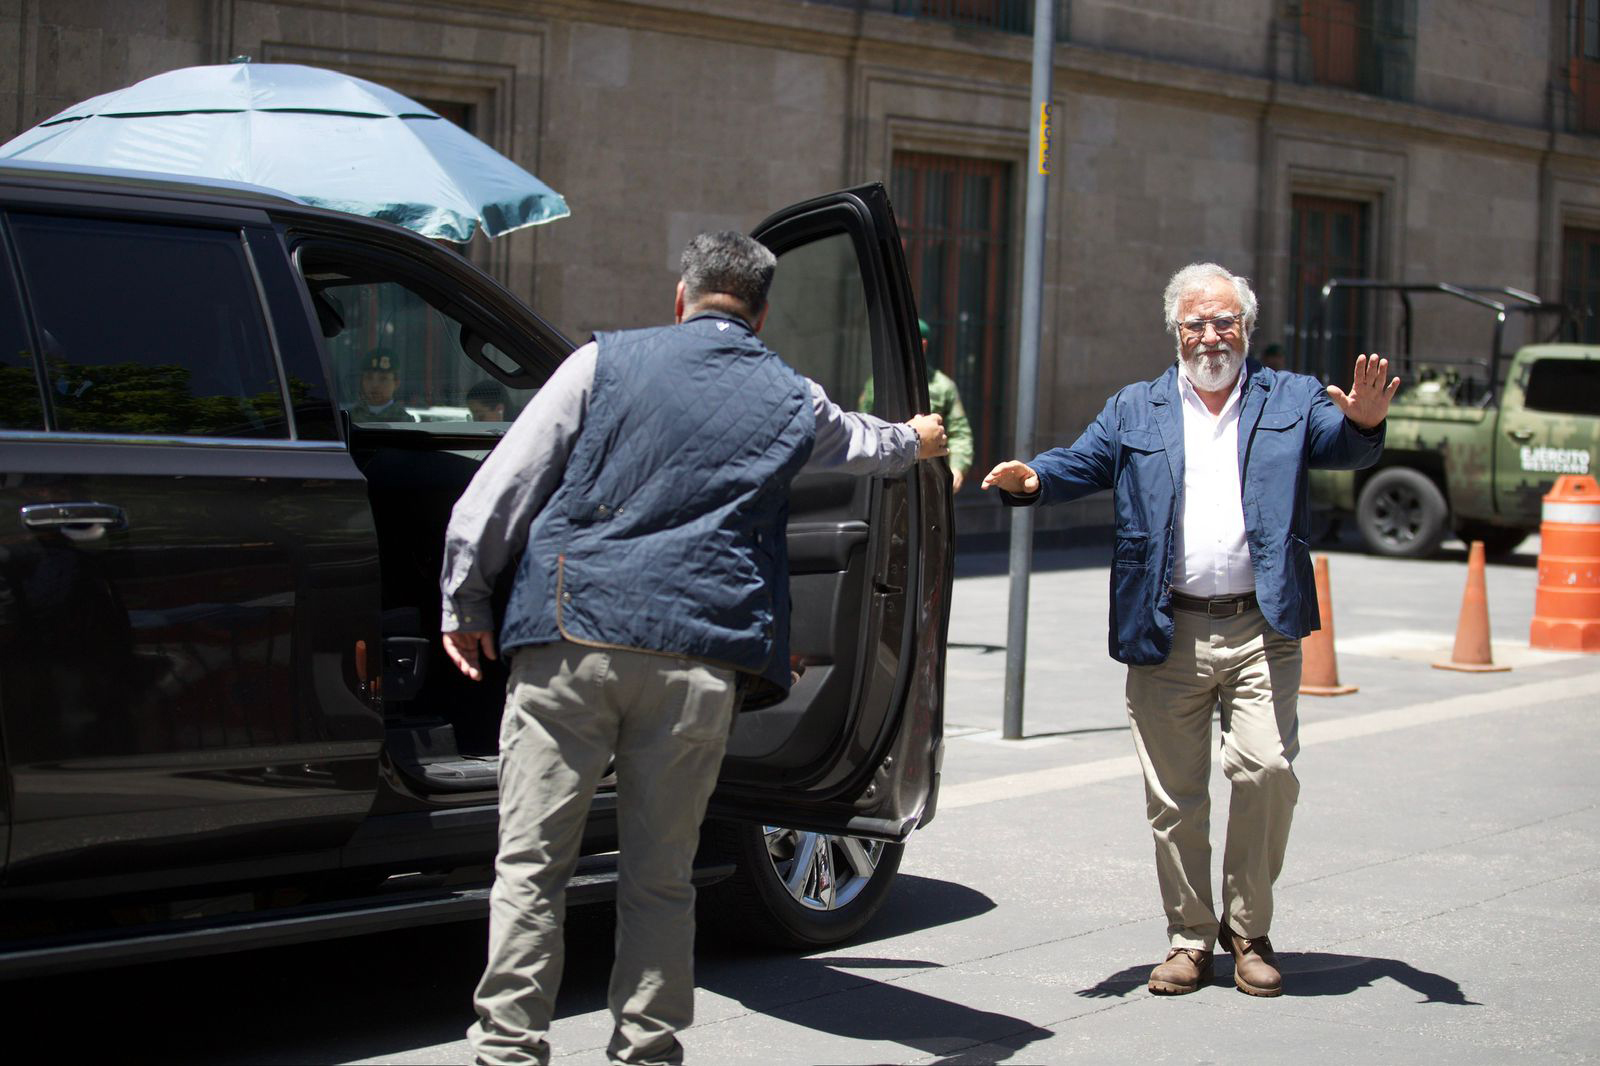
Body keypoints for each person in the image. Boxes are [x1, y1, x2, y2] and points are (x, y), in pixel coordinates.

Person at [439, 231, 947, 1065]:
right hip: (697, 658)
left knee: (532, 864)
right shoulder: (791, 395)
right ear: (762, 313)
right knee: (660, 874)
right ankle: (647, 1049)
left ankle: (509, 1050)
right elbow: (863, 442)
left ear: (681, 297)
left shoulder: (600, 363)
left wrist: (465, 597)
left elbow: (499, 489)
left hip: (572, 635)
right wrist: (918, 438)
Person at [982, 262, 1398, 999]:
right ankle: (1189, 938)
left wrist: (1365, 422)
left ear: (1247, 328)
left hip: (1261, 623)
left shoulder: (1291, 397)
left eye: (1224, 321)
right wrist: (1035, 479)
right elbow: (1082, 460)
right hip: (1165, 625)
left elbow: (1343, 443)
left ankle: (1249, 932)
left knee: (1267, 770)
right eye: (1196, 324)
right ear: (1176, 332)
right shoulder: (1135, 408)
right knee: (1175, 797)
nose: (1211, 336)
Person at [860, 318, 974, 490]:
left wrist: (957, 468)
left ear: (923, 345)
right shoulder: (878, 383)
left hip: (926, 481)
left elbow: (959, 433)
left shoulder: (942, 386)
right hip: (884, 475)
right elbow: (864, 425)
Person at [347, 350, 416, 423]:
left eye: (383, 378)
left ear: (396, 383)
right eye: (369, 378)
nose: (375, 385)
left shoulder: (404, 421)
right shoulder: (349, 418)